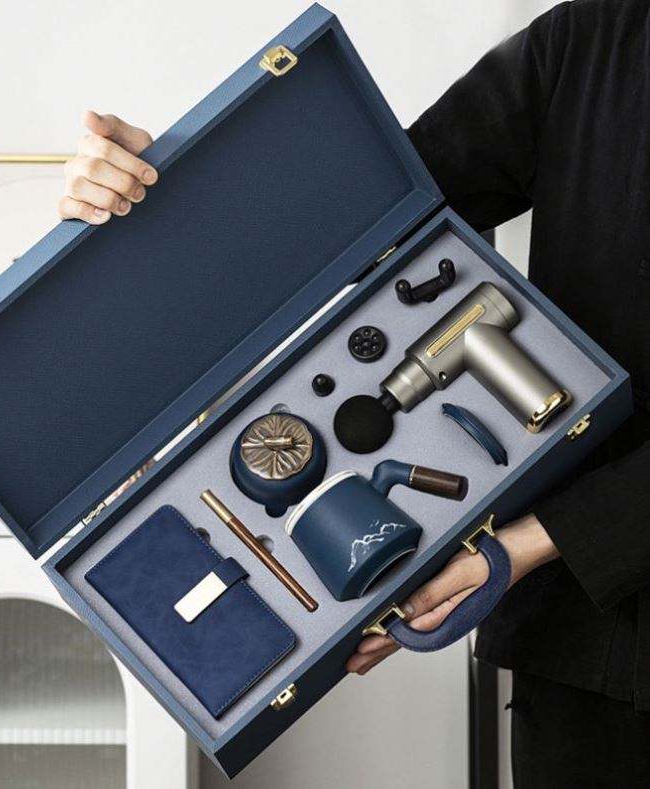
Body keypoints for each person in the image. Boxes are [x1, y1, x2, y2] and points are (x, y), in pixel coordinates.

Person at [59, 1, 650, 784]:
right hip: (581, 657)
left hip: (565, 578)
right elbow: (367, 215)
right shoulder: (594, 42)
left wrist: (522, 545)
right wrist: (159, 190)